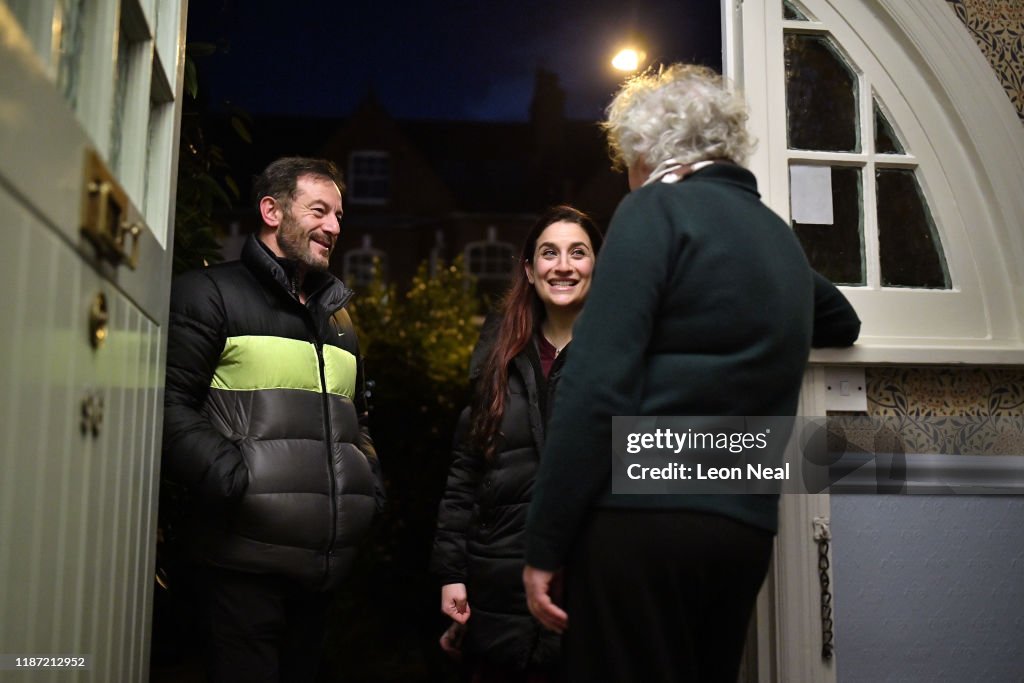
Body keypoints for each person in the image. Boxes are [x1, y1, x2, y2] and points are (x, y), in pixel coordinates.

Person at [522, 64, 862, 682]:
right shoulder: (777, 239)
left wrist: (545, 542)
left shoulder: (654, 210)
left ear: (650, 150)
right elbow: (841, 319)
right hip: (743, 527)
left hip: (643, 517)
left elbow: (595, 388)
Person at [162, 156, 385, 682]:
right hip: (239, 570)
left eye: (338, 214)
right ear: (270, 210)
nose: (334, 226)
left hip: (321, 573)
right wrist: (236, 480)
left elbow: (358, 420)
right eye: (319, 210)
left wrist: (367, 483)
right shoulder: (208, 295)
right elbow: (167, 404)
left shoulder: (339, 319)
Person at [431, 206, 604, 682]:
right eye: (549, 253)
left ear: (598, 266)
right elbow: (465, 474)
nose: (563, 265)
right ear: (529, 270)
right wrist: (452, 573)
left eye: (578, 253)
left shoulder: (619, 358)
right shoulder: (497, 356)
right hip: (498, 587)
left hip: (587, 585)